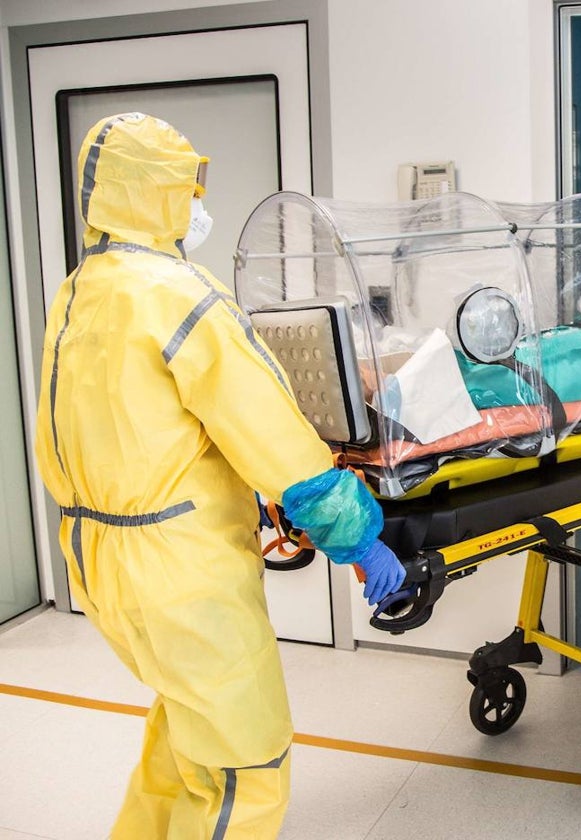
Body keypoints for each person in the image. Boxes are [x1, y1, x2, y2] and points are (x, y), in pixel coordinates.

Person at [33, 113, 405, 839]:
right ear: (158, 192)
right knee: (244, 764)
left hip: (102, 560)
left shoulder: (80, 292)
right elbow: (274, 439)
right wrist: (356, 537)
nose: (198, 203)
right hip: (180, 571)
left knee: (183, 740)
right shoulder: (178, 295)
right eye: (188, 186)